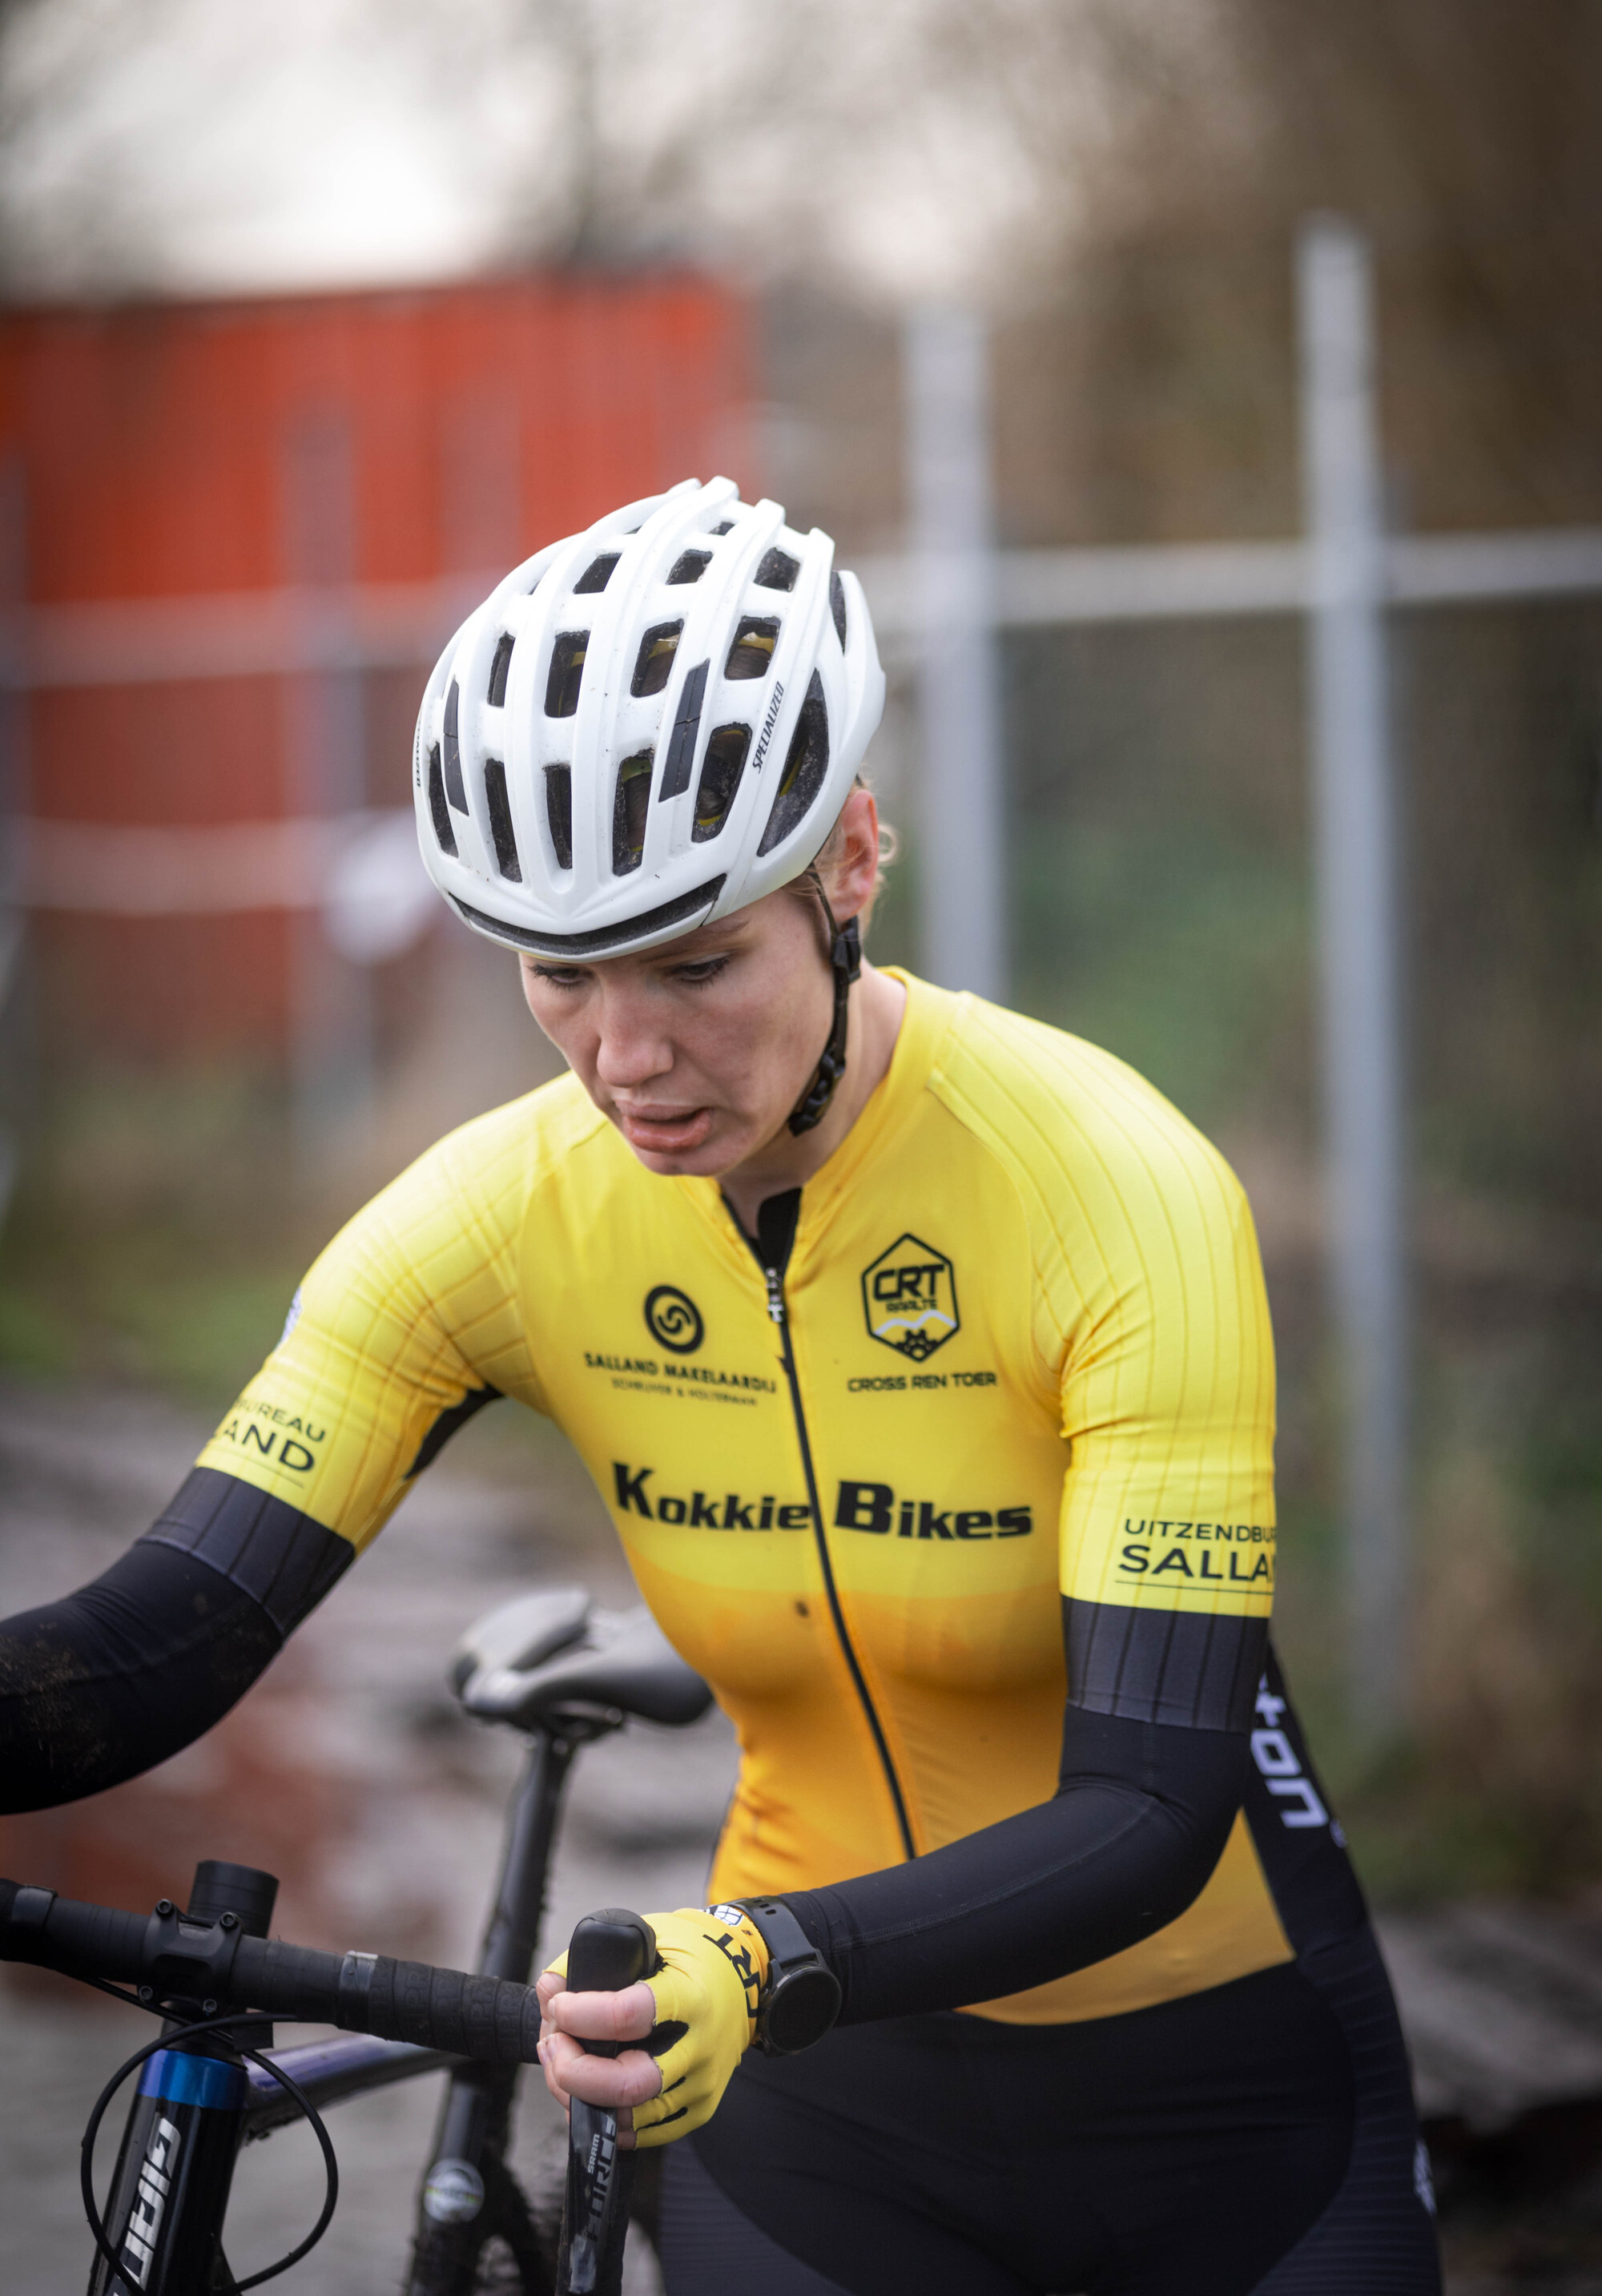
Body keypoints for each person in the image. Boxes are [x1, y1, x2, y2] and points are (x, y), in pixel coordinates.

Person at [0, 477, 1439, 2294]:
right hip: (805, 2117)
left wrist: (755, 1964)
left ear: (848, 866)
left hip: (1216, 2104)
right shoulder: (497, 1222)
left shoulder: (1107, 1185)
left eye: (695, 963)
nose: (628, 1057)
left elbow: (1149, 1815)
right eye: (557, 976)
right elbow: (143, 1649)